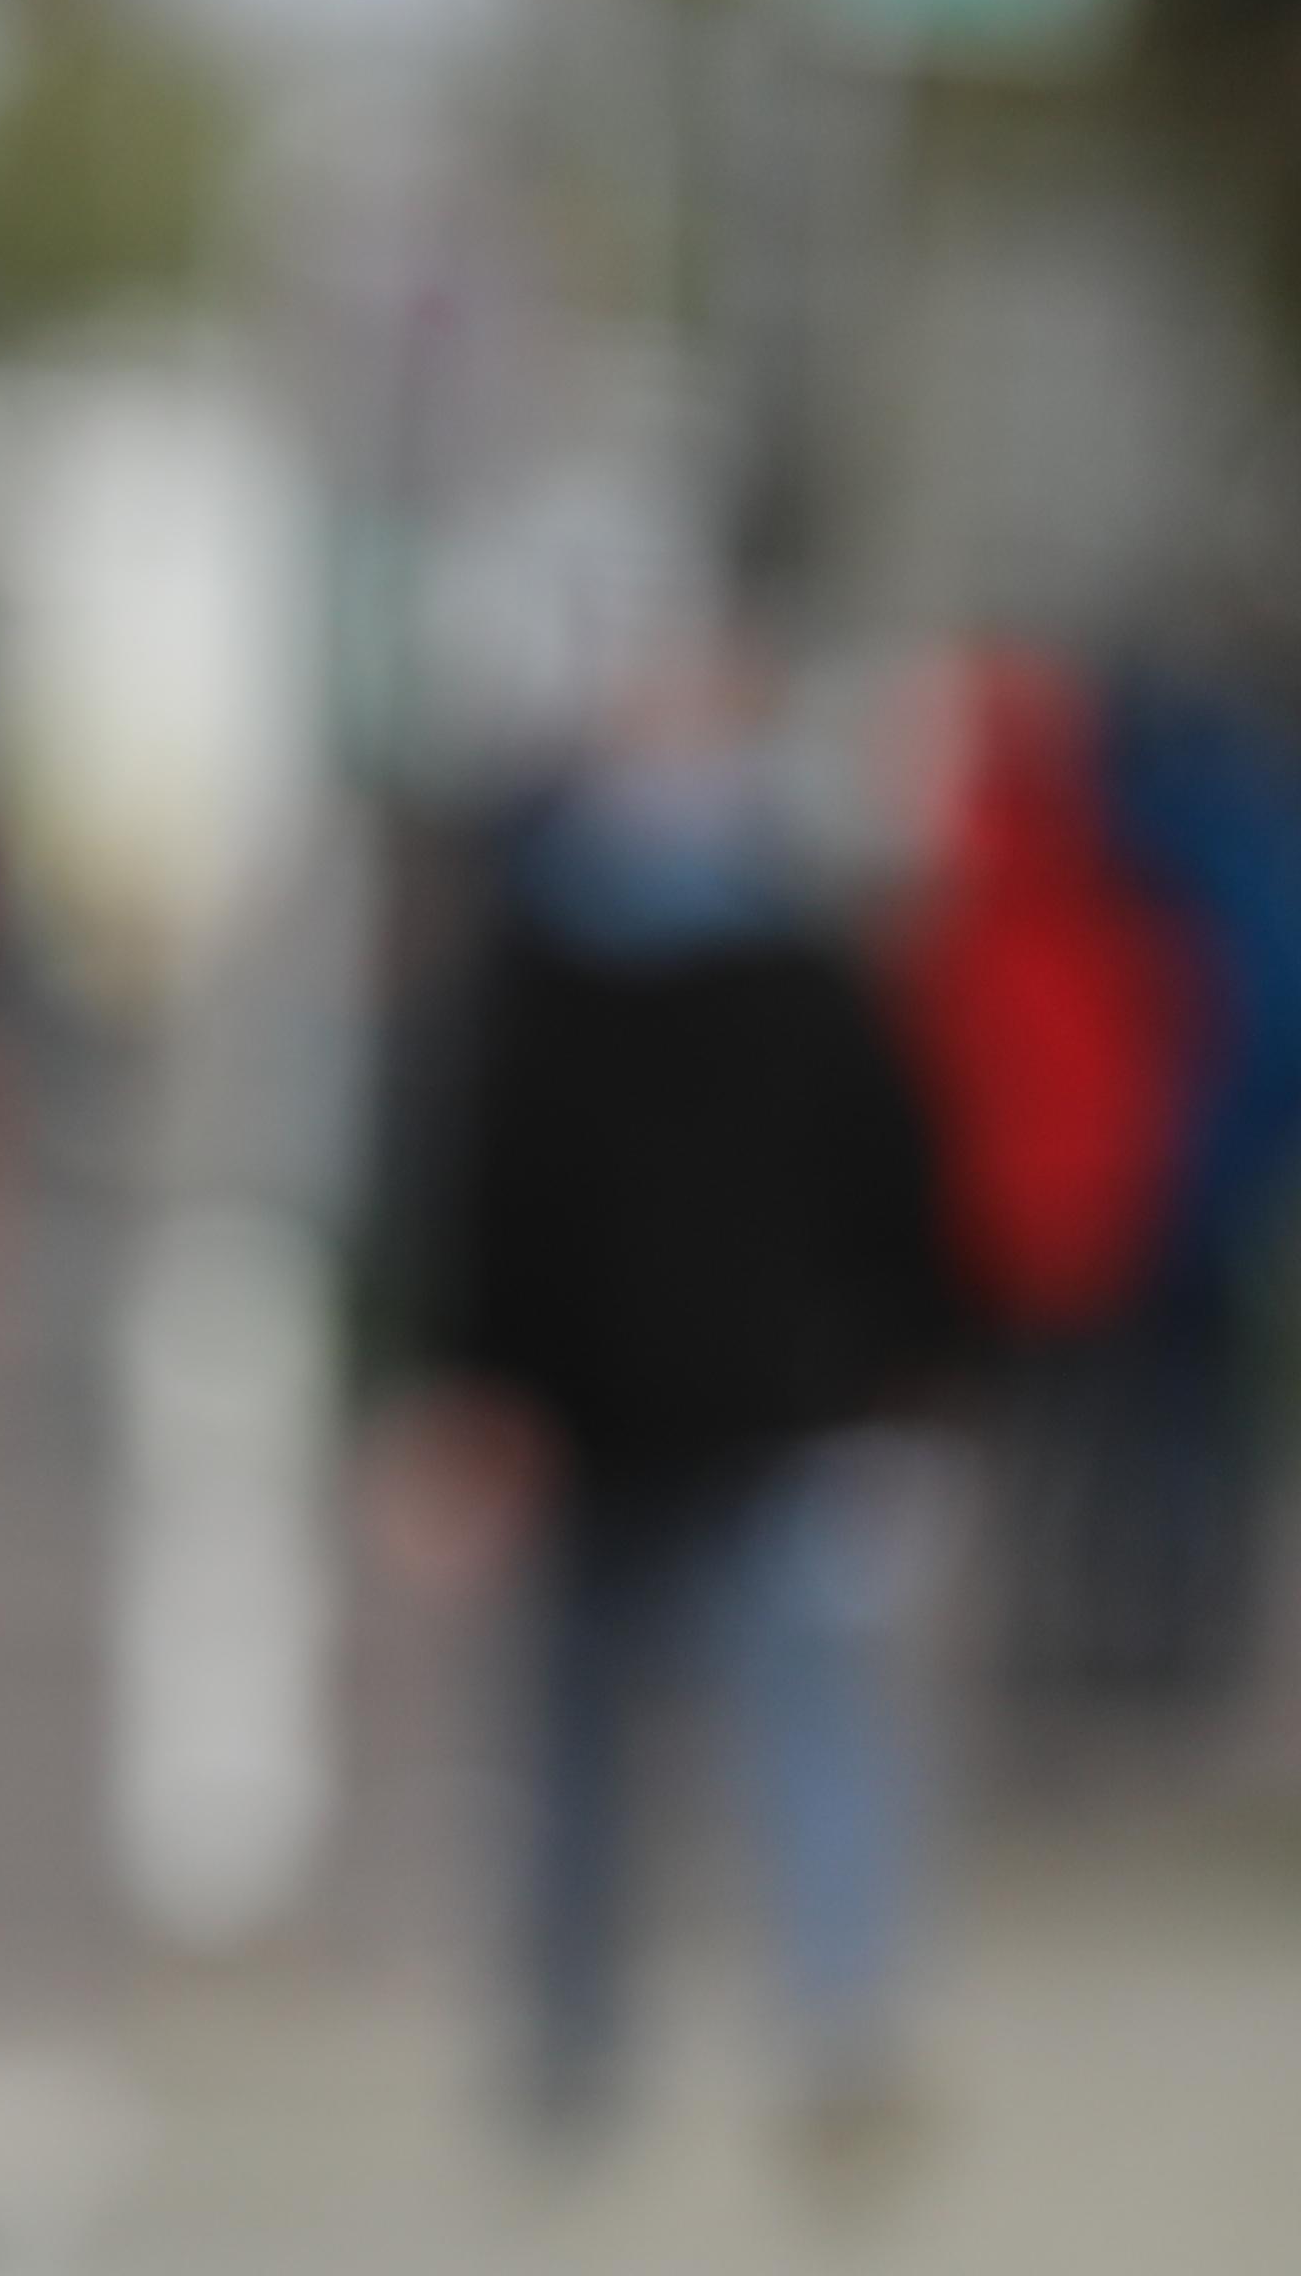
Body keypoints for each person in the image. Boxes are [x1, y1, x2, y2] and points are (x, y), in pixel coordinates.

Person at [388, 615, 962, 2160]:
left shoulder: (666, 958)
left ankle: (734, 2033)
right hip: (665, 1415)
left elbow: (882, 1183)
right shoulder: (684, 957)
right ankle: (679, 2033)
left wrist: (899, 1367)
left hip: (710, 1417)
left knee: (718, 1731)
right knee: (679, 1738)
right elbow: (492, 1194)